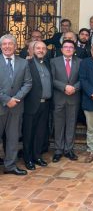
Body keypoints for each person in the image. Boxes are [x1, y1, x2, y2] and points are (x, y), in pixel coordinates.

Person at [0, 34, 32, 175]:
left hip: (16, 107)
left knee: (13, 138)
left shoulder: (23, 63)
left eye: (10, 44)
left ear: (15, 46)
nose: (7, 46)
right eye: (4, 44)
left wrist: (16, 98)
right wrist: (7, 99)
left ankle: (10, 166)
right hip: (1, 105)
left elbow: (28, 83)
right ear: (1, 46)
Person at [50, 39, 81, 163]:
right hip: (59, 98)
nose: (68, 49)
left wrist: (75, 87)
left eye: (71, 47)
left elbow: (83, 78)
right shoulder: (53, 61)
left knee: (71, 125)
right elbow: (52, 79)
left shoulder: (80, 62)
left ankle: (68, 149)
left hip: (74, 97)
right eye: (66, 47)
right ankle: (58, 150)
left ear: (74, 50)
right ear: (61, 49)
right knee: (58, 125)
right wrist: (64, 87)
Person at [23, 41, 52, 170]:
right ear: (32, 50)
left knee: (40, 132)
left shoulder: (47, 63)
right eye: (38, 48)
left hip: (45, 105)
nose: (41, 50)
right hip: (31, 104)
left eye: (43, 48)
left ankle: (37, 156)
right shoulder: (27, 63)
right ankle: (28, 159)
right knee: (29, 133)